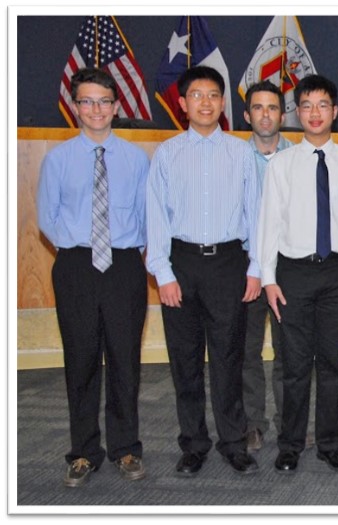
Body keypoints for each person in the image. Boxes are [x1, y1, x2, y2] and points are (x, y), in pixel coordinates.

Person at [37, 67, 150, 487]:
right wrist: (78, 247)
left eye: (104, 101)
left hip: (123, 266)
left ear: (116, 106)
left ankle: (125, 449)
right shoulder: (58, 159)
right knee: (80, 361)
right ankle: (83, 451)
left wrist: (129, 253)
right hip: (76, 267)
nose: (96, 109)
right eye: (87, 101)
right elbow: (48, 218)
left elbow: (145, 217)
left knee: (125, 361)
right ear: (75, 107)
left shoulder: (137, 159)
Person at [147, 65, 261, 476]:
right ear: (183, 103)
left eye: (214, 95)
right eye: (197, 95)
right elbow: (155, 217)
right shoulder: (167, 154)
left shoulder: (241, 152)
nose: (206, 102)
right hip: (182, 263)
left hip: (230, 263)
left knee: (230, 357)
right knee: (186, 359)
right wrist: (162, 272)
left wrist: (257, 268)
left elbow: (257, 214)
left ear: (222, 102)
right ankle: (193, 443)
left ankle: (233, 441)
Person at [258, 74, 338, 473]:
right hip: (293, 274)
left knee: (330, 363)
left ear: (335, 112)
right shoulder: (283, 164)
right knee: (293, 365)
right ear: (297, 112)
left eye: (323, 105)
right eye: (306, 105)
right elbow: (269, 223)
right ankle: (289, 445)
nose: (315, 112)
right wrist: (268, 278)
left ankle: (329, 443)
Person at [241, 81, 293, 452]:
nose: (265, 114)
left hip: (289, 270)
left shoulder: (300, 156)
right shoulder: (233, 157)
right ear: (247, 115)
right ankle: (251, 424)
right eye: (257, 108)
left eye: (272, 108)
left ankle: (289, 424)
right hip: (243, 270)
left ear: (282, 114)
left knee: (289, 352)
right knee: (246, 351)